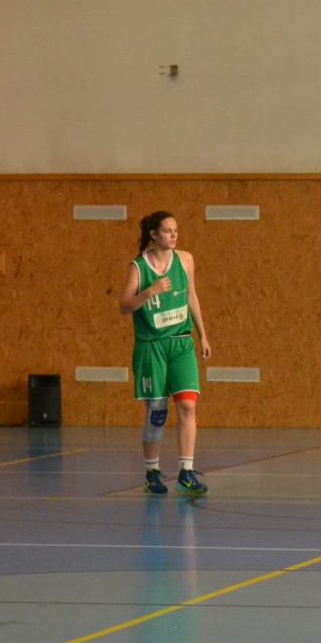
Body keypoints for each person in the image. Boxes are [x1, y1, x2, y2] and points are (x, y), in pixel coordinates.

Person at [119, 211, 213, 494]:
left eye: (176, 230)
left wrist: (202, 334)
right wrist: (150, 291)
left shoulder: (185, 260)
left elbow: (191, 296)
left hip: (181, 343)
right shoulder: (139, 267)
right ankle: (152, 473)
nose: (174, 235)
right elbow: (124, 306)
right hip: (152, 347)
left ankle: (186, 471)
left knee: (188, 406)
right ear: (154, 234)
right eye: (168, 231)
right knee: (157, 413)